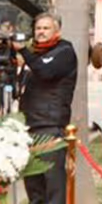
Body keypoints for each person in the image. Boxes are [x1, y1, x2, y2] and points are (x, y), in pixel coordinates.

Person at [16, 13, 76, 204]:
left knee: (53, 190)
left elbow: (46, 72)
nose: (40, 32)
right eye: (38, 28)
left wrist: (25, 52)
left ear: (56, 30)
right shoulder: (35, 54)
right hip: (29, 129)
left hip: (50, 129)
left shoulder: (64, 51)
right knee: (34, 191)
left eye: (46, 28)